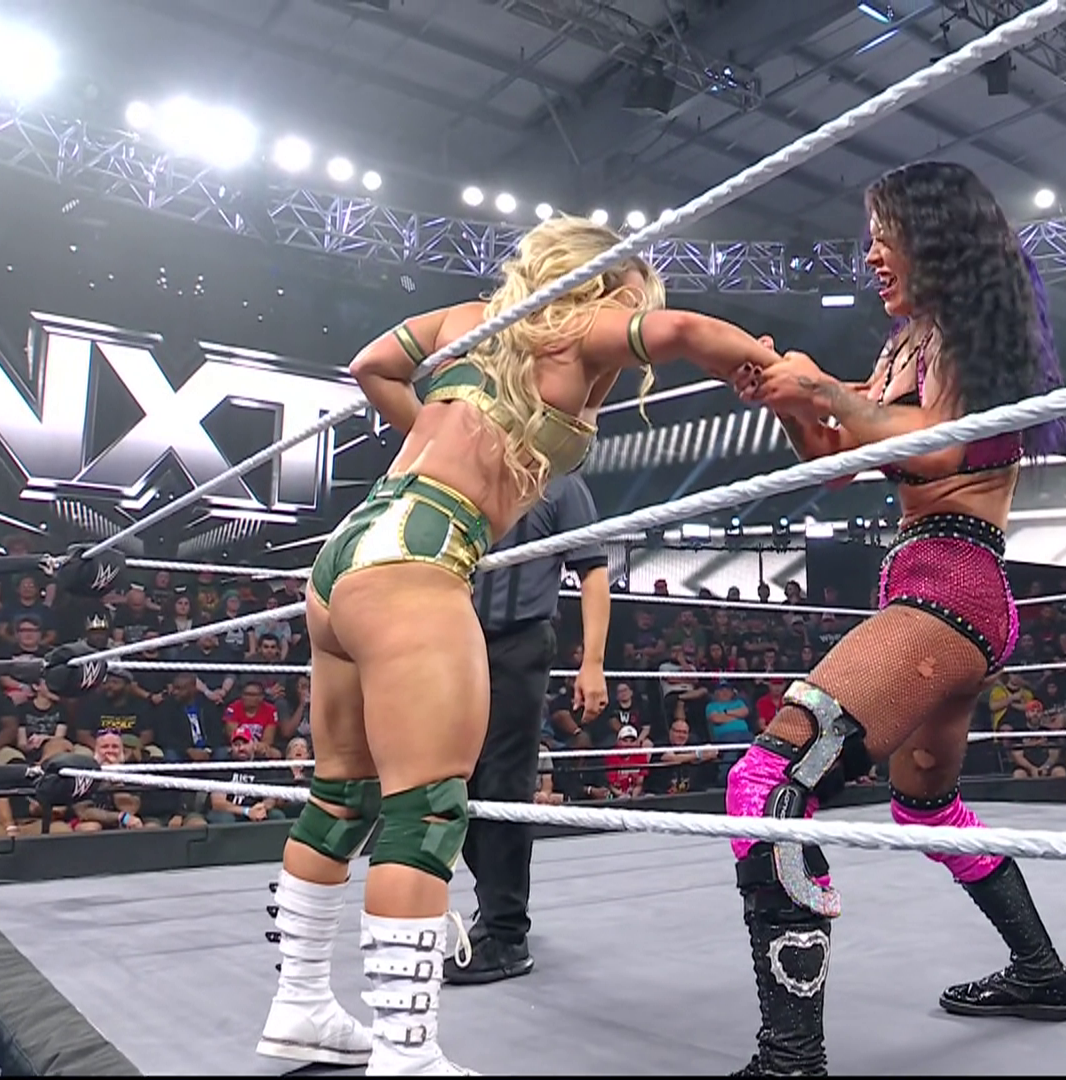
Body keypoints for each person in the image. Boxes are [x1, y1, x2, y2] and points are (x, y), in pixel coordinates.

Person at [258, 216, 782, 1074]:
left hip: (347, 554)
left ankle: (301, 1004)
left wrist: (435, 436)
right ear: (607, 283)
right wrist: (764, 365)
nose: (634, 317)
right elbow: (686, 330)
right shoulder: (579, 326)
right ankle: (405, 1054)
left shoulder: (467, 319)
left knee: (342, 795)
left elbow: (371, 366)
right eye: (633, 295)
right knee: (426, 810)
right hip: (421, 557)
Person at [729, 160, 1066, 1075]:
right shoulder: (905, 345)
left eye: (886, 235)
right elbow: (839, 462)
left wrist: (823, 391)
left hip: (953, 586)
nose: (872, 255)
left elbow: (939, 449)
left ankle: (790, 1058)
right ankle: (1040, 972)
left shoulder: (969, 334)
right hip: (934, 587)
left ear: (937, 238)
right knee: (926, 808)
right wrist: (792, 402)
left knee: (771, 777)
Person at [443, 470, 610, 986]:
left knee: (503, 783)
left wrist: (593, 663)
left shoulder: (560, 485)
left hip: (520, 643)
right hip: (459, 641)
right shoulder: (472, 478)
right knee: (455, 782)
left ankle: (507, 935)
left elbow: (593, 572)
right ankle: (495, 905)